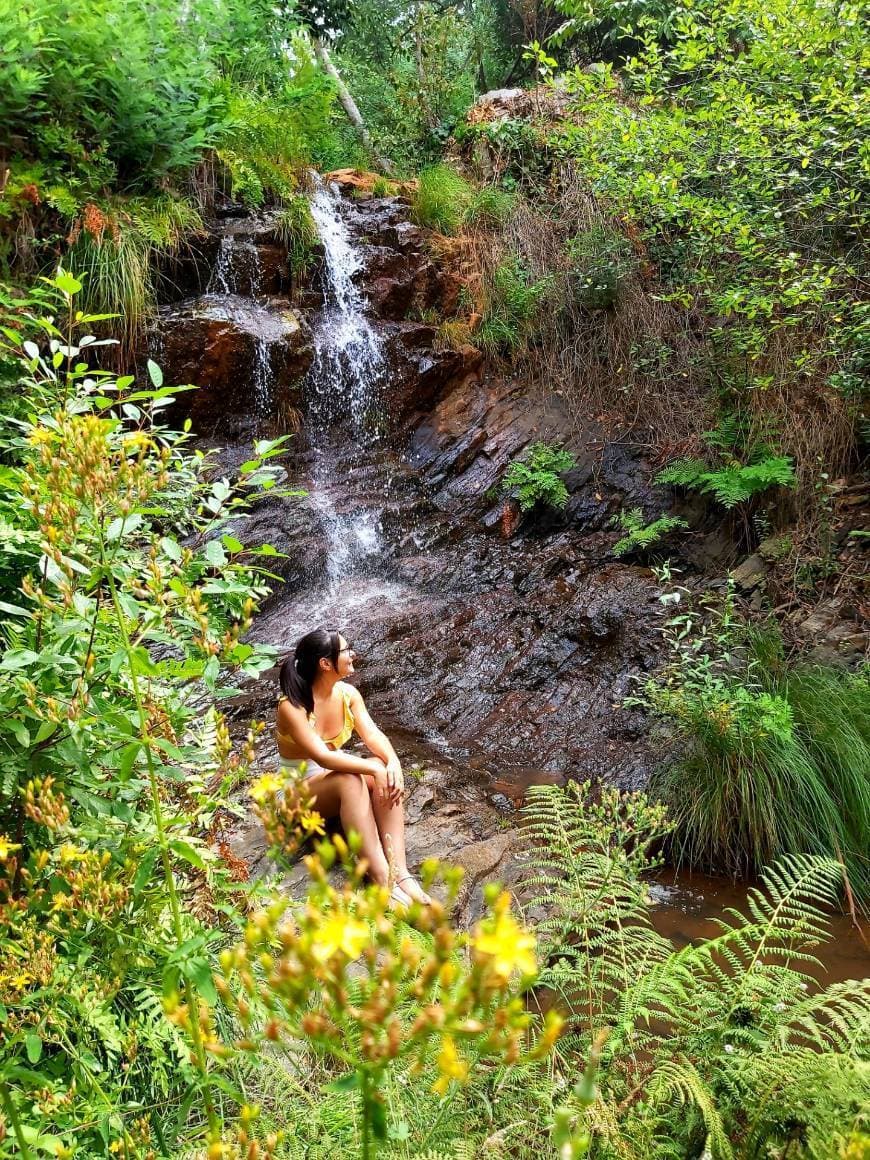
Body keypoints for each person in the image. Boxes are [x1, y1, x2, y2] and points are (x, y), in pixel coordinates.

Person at [276, 627, 431, 905]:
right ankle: (383, 879)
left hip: (330, 782)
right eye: (346, 651)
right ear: (325, 663)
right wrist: (372, 769)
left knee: (378, 768)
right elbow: (322, 757)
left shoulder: (348, 694)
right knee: (354, 776)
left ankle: (402, 873)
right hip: (296, 795)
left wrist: (391, 762)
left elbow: (372, 734)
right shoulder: (292, 706)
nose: (353, 654)